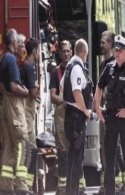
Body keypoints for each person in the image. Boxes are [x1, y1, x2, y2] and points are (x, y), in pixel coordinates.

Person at [94, 35, 125, 195]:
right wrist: (98, 108)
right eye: (116, 49)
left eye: (120, 50)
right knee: (109, 158)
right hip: (111, 119)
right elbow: (99, 87)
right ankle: (109, 191)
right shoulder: (109, 69)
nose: (117, 52)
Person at [0, 29, 30, 194]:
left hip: (6, 105)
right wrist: (27, 92)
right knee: (20, 145)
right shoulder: (10, 60)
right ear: (13, 42)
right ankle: (21, 185)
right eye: (18, 40)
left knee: (9, 146)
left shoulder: (4, 58)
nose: (19, 43)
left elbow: (1, 83)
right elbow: (13, 87)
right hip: (14, 105)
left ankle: (6, 184)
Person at [62, 39, 93, 195]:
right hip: (76, 119)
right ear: (85, 53)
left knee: (73, 159)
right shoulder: (77, 68)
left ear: (74, 50)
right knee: (76, 160)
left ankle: (70, 191)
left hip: (70, 115)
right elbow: (76, 92)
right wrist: (86, 111)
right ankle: (72, 192)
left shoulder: (69, 66)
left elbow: (62, 87)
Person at [49, 40, 76, 195]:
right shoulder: (55, 72)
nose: (66, 54)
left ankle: (78, 186)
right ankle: (63, 189)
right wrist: (68, 100)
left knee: (75, 150)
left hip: (74, 115)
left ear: (72, 51)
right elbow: (53, 97)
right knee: (63, 152)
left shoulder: (76, 70)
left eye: (68, 51)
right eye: (63, 51)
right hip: (61, 115)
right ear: (60, 53)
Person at [20, 37, 41, 192]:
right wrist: (38, 85)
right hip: (26, 111)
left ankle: (27, 184)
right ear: (35, 51)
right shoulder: (28, 67)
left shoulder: (25, 66)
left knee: (29, 148)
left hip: (26, 110)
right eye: (39, 51)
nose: (40, 53)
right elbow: (33, 93)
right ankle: (26, 184)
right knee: (31, 148)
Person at [97, 30, 115, 195]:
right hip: (103, 113)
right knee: (103, 147)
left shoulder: (115, 64)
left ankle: (116, 182)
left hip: (112, 114)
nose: (101, 45)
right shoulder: (102, 64)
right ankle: (104, 184)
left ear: (110, 44)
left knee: (114, 147)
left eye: (104, 42)